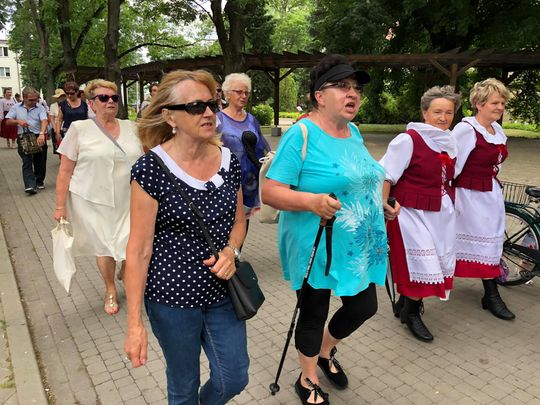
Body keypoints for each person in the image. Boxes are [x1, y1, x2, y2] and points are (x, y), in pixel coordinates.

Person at [262, 55, 394, 405]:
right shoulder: (301, 134)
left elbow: (359, 179)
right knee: (314, 311)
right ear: (319, 96)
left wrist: (380, 204)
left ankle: (325, 351)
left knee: (364, 306)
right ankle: (307, 378)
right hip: (315, 241)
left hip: (355, 243)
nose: (353, 94)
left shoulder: (353, 132)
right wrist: (311, 202)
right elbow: (270, 192)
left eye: (356, 88)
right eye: (342, 86)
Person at [124, 70, 249, 405]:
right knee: (183, 385)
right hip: (172, 300)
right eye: (195, 107)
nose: (208, 113)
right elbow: (138, 250)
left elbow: (239, 222)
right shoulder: (150, 169)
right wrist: (134, 324)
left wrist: (231, 252)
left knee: (234, 376)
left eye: (211, 104)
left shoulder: (229, 160)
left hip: (222, 292)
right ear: (170, 116)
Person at [53, 79, 143, 315]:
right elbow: (64, 171)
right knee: (105, 247)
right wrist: (60, 207)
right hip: (93, 201)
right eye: (103, 98)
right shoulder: (79, 129)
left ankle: (126, 270)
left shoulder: (132, 127)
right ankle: (110, 288)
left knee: (131, 242)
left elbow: (148, 159)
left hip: (129, 198)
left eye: (114, 98)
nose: (110, 101)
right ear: (91, 104)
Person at [380, 86, 461, 342]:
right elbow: (386, 175)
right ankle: (412, 312)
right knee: (421, 264)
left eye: (449, 112)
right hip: (410, 213)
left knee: (431, 262)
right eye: (437, 112)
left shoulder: (448, 140)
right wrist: (384, 205)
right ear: (424, 112)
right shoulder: (408, 140)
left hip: (439, 214)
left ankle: (406, 304)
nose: (443, 118)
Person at [452, 78, 515, 320]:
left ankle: (490, 295)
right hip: (468, 197)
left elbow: (495, 163)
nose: (500, 107)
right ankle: (412, 298)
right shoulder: (466, 130)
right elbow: (453, 166)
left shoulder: (497, 130)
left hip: (490, 195)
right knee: (454, 243)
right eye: (494, 103)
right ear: (478, 104)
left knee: (490, 244)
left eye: (502, 103)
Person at [217, 73, 270, 230]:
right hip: (226, 183)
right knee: (225, 225)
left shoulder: (252, 120)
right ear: (227, 94)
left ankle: (238, 246)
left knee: (242, 224)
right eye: (239, 92)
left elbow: (263, 146)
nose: (244, 96)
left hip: (249, 183)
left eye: (246, 92)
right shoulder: (218, 119)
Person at [5, 87, 48, 194]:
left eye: (36, 99)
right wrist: (18, 121)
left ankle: (39, 180)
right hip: (23, 137)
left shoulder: (40, 107)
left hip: (38, 135)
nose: (34, 102)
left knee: (40, 160)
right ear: (24, 98)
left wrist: (42, 134)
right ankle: (30, 185)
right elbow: (8, 121)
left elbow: (44, 120)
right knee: (27, 161)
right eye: (31, 100)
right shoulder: (16, 107)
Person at [48, 88, 67, 154]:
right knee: (58, 147)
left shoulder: (68, 104)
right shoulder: (53, 106)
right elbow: (51, 118)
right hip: (56, 128)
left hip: (66, 128)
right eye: (59, 97)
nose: (61, 98)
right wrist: (55, 129)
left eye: (62, 96)